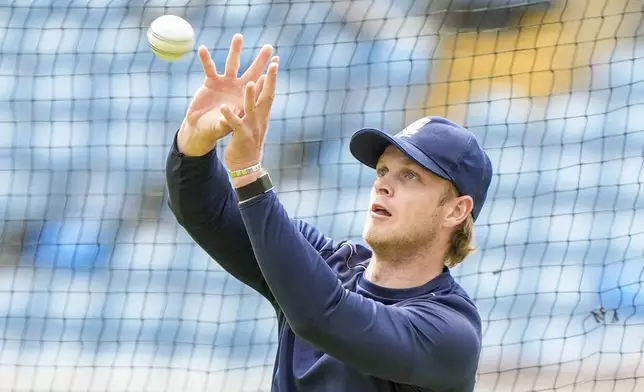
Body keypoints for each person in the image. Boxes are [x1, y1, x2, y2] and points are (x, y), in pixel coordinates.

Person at [165, 34, 493, 392]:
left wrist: (249, 173)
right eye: (382, 171)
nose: (382, 185)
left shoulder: (450, 330)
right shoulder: (326, 262)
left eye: (410, 176)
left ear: (455, 211)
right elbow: (208, 213)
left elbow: (323, 317)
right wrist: (195, 142)